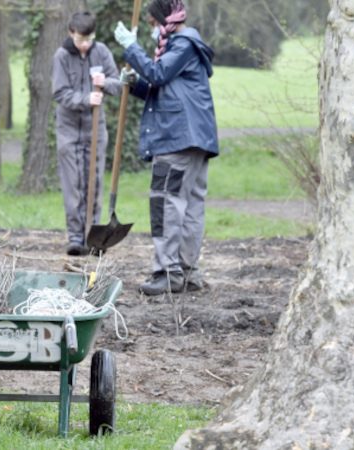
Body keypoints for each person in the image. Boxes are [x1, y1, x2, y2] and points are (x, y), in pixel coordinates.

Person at [113, 0, 218, 295]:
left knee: (166, 204)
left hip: (176, 139)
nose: (150, 31)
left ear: (163, 21)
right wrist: (134, 83)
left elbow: (158, 75)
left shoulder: (182, 44)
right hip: (194, 139)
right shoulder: (182, 48)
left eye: (150, 24)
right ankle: (188, 272)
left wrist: (131, 49)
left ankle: (167, 271)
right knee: (190, 206)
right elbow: (162, 88)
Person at [52, 11, 123, 256]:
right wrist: (86, 98)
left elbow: (119, 83)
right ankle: (75, 236)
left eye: (89, 39)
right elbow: (60, 93)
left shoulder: (101, 51)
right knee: (74, 184)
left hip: (95, 128)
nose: (85, 44)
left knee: (94, 180)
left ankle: (93, 235)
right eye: (81, 39)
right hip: (69, 128)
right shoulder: (61, 56)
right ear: (71, 32)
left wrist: (104, 83)